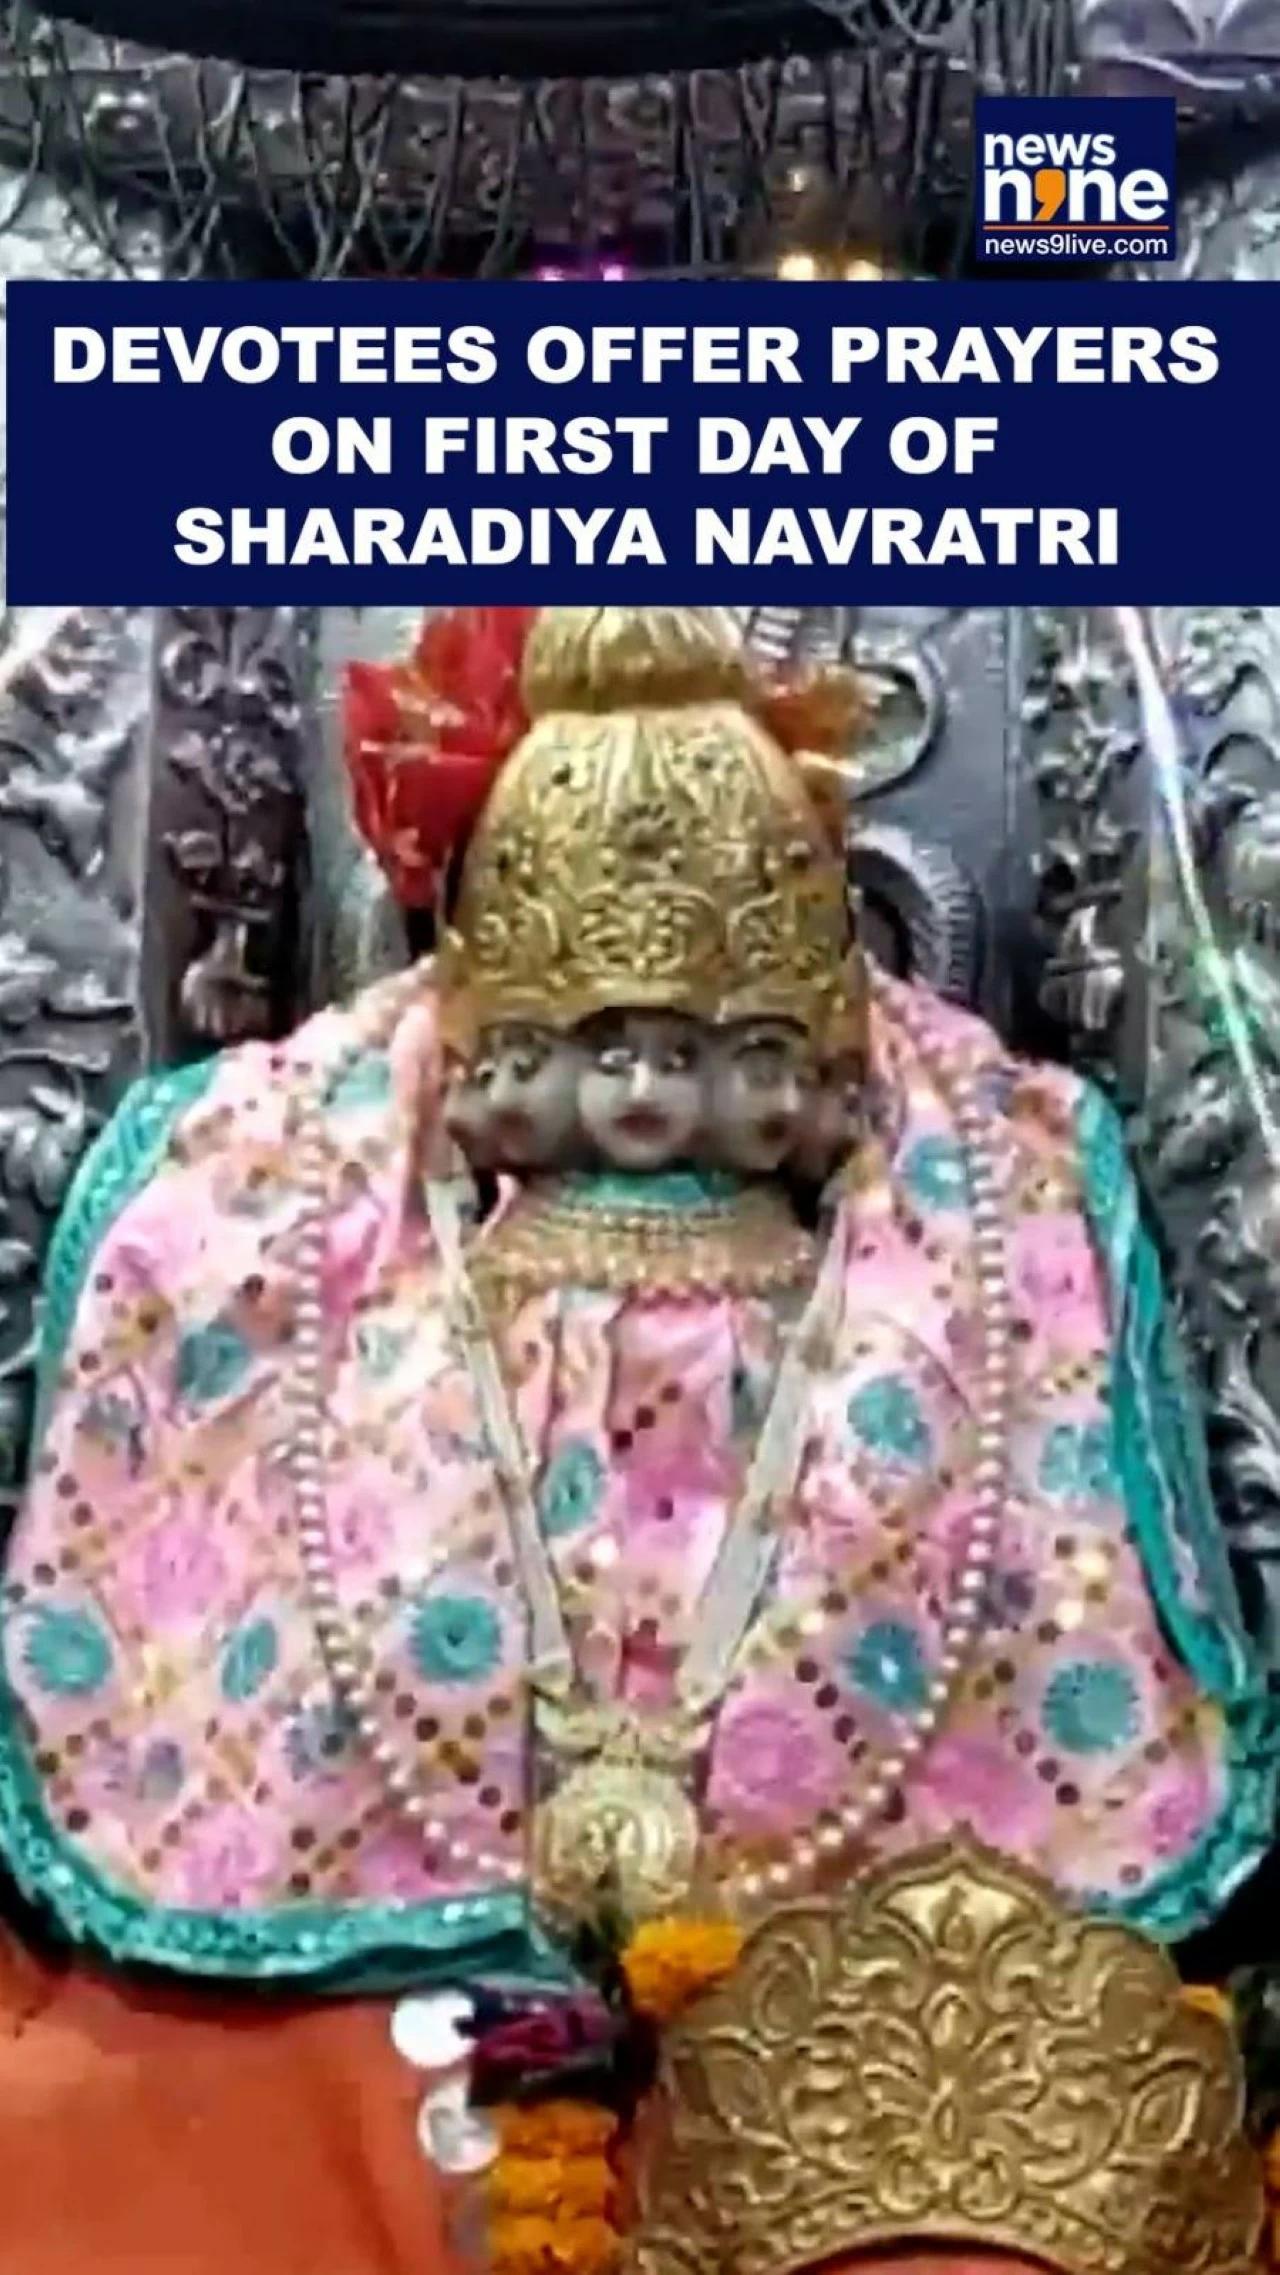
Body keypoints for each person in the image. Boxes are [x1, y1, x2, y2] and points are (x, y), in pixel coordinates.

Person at [0, 605, 1269, 2275]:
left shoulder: (950, 1219)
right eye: (599, 1052)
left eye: (696, 1055)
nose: (651, 1104)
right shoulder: (333, 1219)